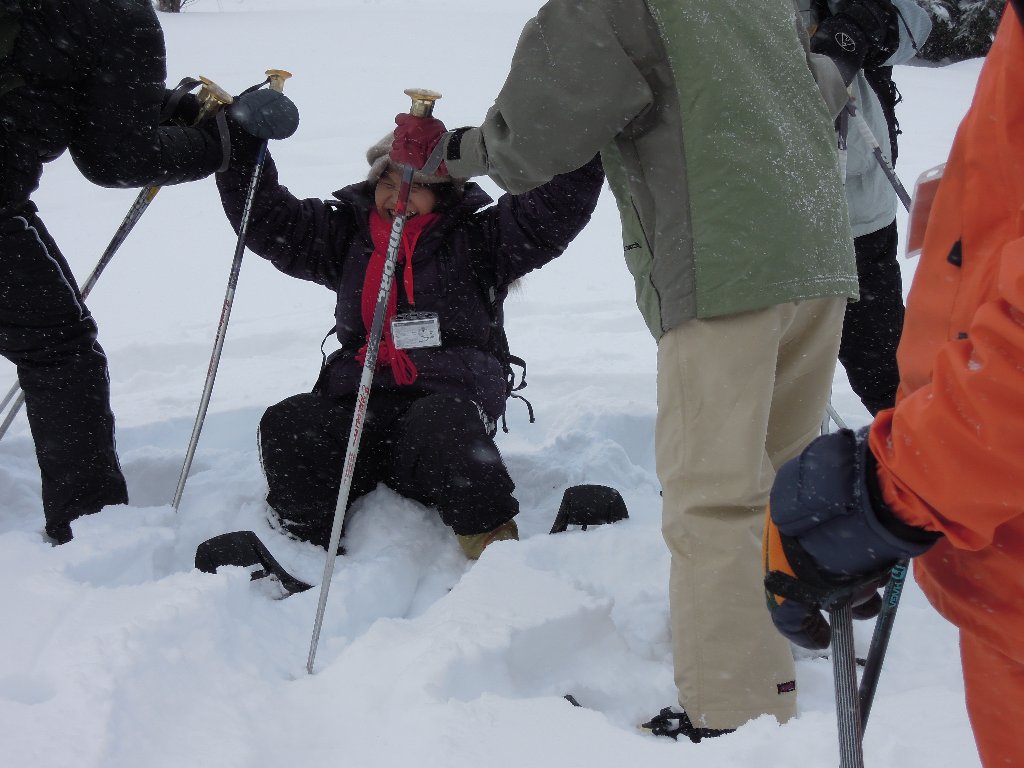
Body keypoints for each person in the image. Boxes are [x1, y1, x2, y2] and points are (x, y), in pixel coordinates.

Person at [391, 0, 857, 741]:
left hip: (726, 261)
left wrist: (442, 155)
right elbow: (825, 88)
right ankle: (777, 655)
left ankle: (737, 711)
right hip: (814, 251)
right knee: (780, 480)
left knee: (714, 498)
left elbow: (529, 143)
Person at [764, 3, 1024, 765]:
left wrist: (896, 488)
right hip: (783, 230)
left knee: (876, 365)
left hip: (858, 223)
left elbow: (918, 22)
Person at [214, 127, 603, 558]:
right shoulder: (347, 235)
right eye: (387, 181)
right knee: (291, 421)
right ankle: (303, 547)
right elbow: (270, 218)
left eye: (415, 185)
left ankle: (492, 547)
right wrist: (243, 144)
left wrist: (582, 132)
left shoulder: (479, 240)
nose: (397, 196)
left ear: (444, 193)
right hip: (356, 413)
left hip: (443, 409)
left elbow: (552, 210)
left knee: (444, 424)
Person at [0, 0, 242, 545]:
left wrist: (164, 105)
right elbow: (116, 159)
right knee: (60, 352)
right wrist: (215, 145)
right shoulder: (116, 13)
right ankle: (91, 530)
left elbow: (62, 83)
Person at [801, 0, 931, 415]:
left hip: (860, 210)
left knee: (889, 374)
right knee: (766, 377)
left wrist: (863, 22)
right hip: (755, 211)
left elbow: (916, 27)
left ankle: (922, 449)